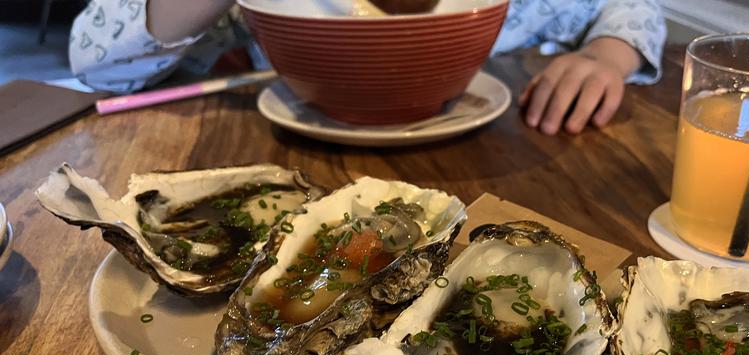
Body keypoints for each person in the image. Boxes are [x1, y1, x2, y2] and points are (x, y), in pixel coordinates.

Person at [69, 0, 665, 135]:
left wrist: (605, 55)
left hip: (491, 167)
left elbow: (632, 6)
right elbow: (95, 62)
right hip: (293, 168)